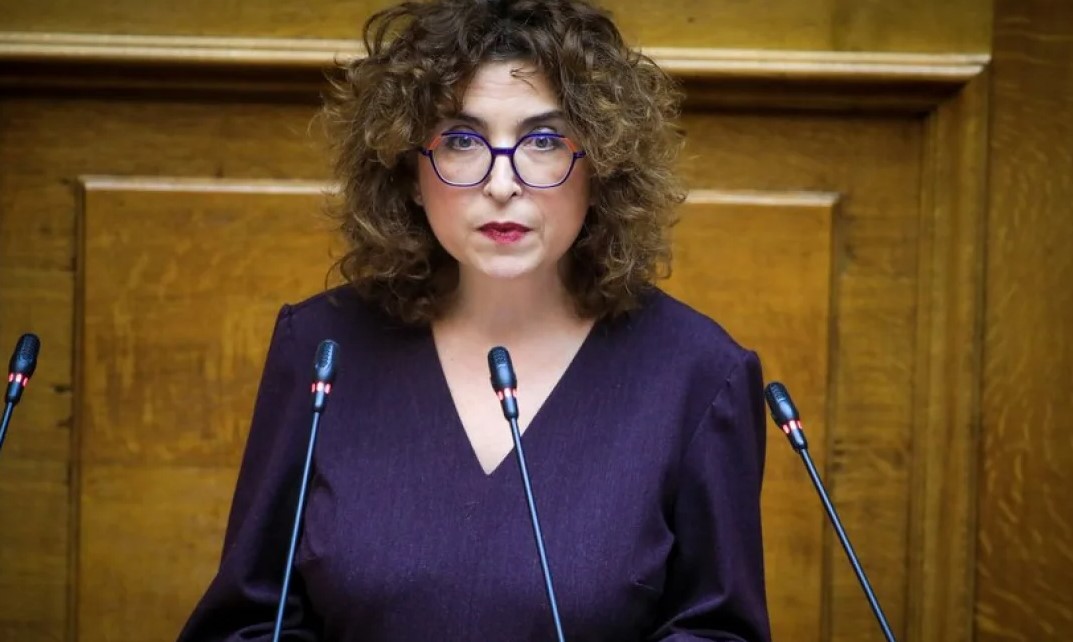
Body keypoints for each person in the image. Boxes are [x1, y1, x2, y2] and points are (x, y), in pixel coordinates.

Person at [179, 0, 771, 639]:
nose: (502, 183)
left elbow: (718, 630)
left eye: (544, 141)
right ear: (408, 169)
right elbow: (248, 622)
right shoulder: (321, 348)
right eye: (462, 141)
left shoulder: (699, 374)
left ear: (600, 165)